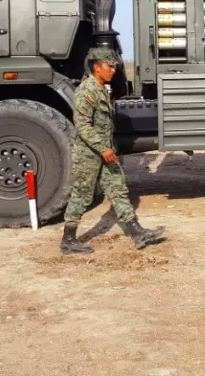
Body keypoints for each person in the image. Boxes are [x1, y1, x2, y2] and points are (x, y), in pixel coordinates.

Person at [59, 47, 165, 254]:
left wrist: (107, 148)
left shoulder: (99, 89)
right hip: (89, 154)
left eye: (114, 67)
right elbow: (83, 126)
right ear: (97, 67)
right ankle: (68, 239)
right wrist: (102, 148)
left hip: (104, 153)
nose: (113, 70)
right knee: (81, 195)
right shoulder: (86, 90)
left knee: (118, 189)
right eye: (110, 67)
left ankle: (137, 232)